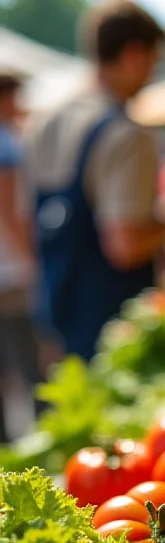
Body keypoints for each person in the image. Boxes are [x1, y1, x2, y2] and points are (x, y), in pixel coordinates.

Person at [27, 1, 165, 361]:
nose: (153, 74)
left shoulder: (43, 124)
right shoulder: (127, 134)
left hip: (59, 311)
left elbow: (26, 227)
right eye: (154, 61)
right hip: (114, 328)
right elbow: (125, 246)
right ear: (133, 55)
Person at [0, 72, 41, 442]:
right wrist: (31, 260)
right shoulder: (6, 145)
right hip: (10, 273)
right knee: (31, 363)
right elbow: (10, 209)